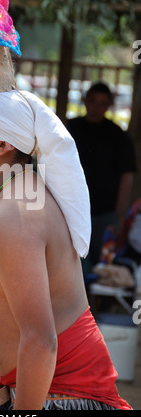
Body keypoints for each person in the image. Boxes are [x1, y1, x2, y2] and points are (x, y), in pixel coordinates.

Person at [0, 89, 132, 410]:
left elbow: (41, 340)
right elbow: (4, 328)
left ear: (2, 146)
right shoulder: (20, 195)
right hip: (38, 389)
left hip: (63, 397)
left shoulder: (15, 213)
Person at [67, 82, 137, 273]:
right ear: (85, 102)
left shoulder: (118, 136)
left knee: (104, 269)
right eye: (93, 101)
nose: (97, 107)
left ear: (109, 106)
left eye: (103, 103)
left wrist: (119, 213)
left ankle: (99, 304)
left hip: (105, 214)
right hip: (71, 211)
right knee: (71, 266)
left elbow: (127, 175)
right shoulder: (69, 129)